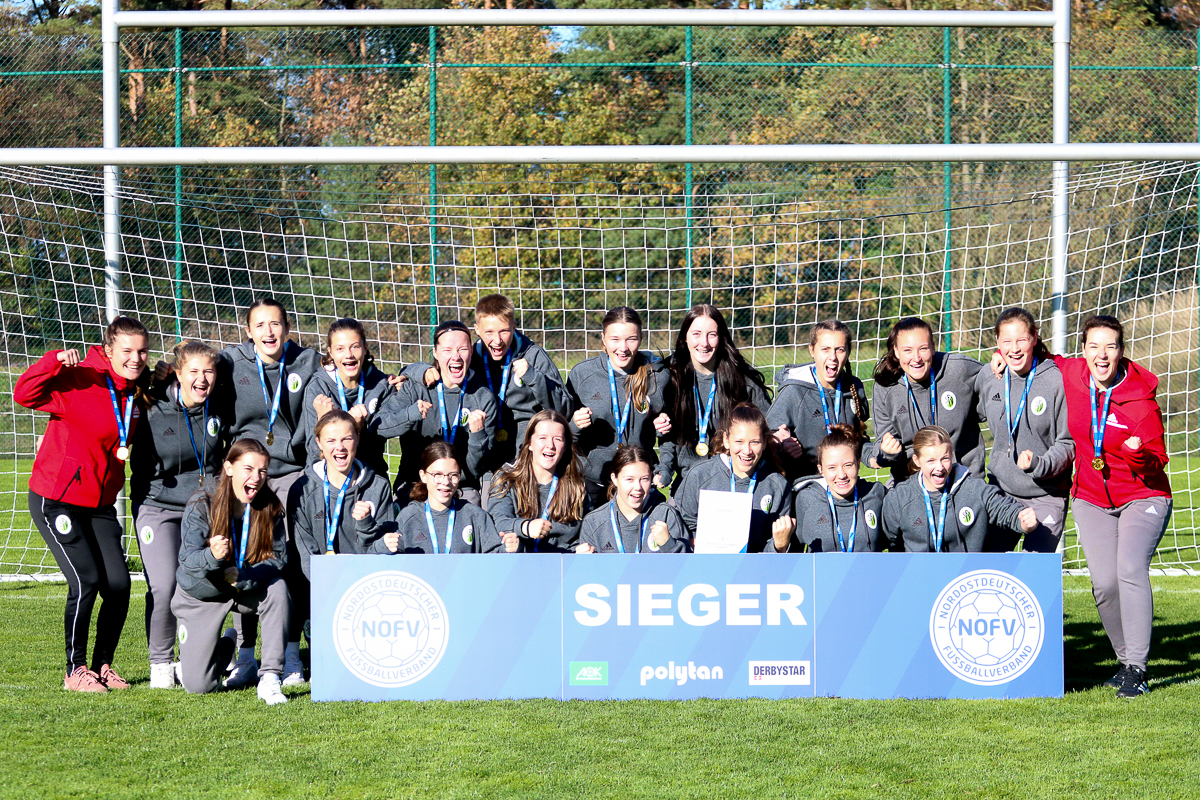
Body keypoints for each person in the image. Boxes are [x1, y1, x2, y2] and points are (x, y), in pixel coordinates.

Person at [15, 315, 150, 692]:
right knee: (85, 579)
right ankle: (75, 670)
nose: (135, 358)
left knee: (119, 584)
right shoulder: (80, 379)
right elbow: (24, 394)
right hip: (57, 500)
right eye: (127, 351)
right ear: (109, 350)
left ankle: (103, 665)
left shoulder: (138, 391)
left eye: (142, 351)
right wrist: (53, 361)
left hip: (100, 505)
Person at [1056, 315, 1171, 698]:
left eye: (1110, 346)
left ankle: (1138, 668)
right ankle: (1124, 663)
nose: (1101, 355)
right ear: (1083, 350)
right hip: (1091, 498)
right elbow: (1041, 356)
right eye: (1094, 346)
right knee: (1105, 584)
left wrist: (1136, 454)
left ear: (1121, 351)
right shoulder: (1072, 374)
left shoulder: (1141, 402)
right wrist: (1003, 355)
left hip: (1144, 495)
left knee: (1129, 570)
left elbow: (1157, 462)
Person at [216, 298, 319, 683]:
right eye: (260, 325)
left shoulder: (307, 361)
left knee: (289, 561)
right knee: (245, 556)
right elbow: (193, 367)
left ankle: (290, 653)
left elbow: (352, 365)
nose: (269, 332)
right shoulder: (230, 361)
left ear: (287, 328)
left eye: (275, 324)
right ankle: (245, 655)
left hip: (290, 473)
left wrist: (415, 373)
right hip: (248, 475)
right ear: (248, 331)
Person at [129, 340, 229, 689]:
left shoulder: (220, 405)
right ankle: (160, 662)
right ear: (178, 374)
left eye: (209, 371)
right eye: (194, 371)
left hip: (203, 509)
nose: (202, 379)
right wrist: (154, 376)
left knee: (208, 579)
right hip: (158, 508)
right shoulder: (151, 404)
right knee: (165, 584)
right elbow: (128, 381)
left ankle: (206, 654)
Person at [172, 438, 290, 704]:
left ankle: (270, 677)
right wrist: (212, 556)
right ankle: (225, 647)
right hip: (202, 593)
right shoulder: (202, 502)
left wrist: (246, 577)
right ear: (228, 468)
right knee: (200, 686)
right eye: (248, 469)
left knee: (278, 588)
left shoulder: (270, 504)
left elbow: (278, 558)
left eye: (262, 471)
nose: (256, 478)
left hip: (242, 588)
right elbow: (187, 560)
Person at [286, 409, 396, 685]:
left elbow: (382, 547)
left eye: (346, 439)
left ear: (357, 439)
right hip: (317, 583)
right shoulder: (301, 489)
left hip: (363, 583)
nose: (340, 447)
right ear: (318, 443)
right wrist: (328, 583)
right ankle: (292, 655)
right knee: (290, 571)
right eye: (331, 440)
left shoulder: (378, 486)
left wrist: (366, 524)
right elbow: (304, 550)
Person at [976, 308, 1074, 552]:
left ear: (1034, 338)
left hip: (1046, 494)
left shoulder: (1055, 380)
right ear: (997, 342)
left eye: (1021, 340)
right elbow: (967, 416)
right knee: (989, 566)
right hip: (1000, 492)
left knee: (1034, 569)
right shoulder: (990, 376)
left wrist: (1039, 464)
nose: (1014, 349)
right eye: (1007, 341)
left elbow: (1067, 443)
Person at [378, 320, 498, 506]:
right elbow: (380, 426)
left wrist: (477, 436)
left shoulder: (482, 398)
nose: (456, 356)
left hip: (461, 489)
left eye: (462, 349)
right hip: (415, 485)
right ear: (435, 352)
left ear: (471, 351)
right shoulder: (416, 388)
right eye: (447, 350)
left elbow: (476, 469)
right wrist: (411, 414)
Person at [658, 305, 771, 493]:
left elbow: (768, 427)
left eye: (711, 335)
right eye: (696, 334)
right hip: (687, 484)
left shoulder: (742, 380)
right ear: (685, 337)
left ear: (721, 338)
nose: (704, 343)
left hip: (734, 484)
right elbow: (658, 431)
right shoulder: (668, 377)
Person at [567, 307, 672, 504]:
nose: (623, 348)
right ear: (603, 339)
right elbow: (562, 436)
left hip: (638, 484)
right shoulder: (582, 375)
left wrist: (664, 466)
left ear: (641, 338)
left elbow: (670, 435)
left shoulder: (658, 377)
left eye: (631, 339)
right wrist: (574, 425)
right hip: (592, 482)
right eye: (615, 339)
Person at [472, 294, 570, 497]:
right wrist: (420, 372)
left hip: (525, 459)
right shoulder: (470, 357)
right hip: (484, 459)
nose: (497, 340)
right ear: (477, 329)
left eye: (504, 331)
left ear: (514, 326)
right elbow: (441, 366)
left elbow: (565, 408)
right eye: (489, 332)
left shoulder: (533, 356)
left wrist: (534, 378)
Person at [881, 425, 1036, 553]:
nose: (939, 467)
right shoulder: (899, 498)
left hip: (966, 577)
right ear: (917, 461)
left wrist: (1023, 520)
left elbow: (1004, 509)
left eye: (945, 459)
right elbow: (890, 543)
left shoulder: (974, 489)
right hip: (920, 577)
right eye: (931, 461)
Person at [768, 319, 887, 480]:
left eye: (840, 350)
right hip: (805, 485)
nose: (833, 357)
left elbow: (858, 439)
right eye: (825, 349)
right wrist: (781, 446)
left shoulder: (854, 387)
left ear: (848, 352)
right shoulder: (794, 391)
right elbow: (764, 439)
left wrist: (874, 457)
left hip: (844, 482)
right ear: (812, 350)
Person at [871, 317, 985, 486]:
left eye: (923, 348)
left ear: (932, 347)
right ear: (896, 351)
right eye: (907, 350)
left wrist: (1000, 357)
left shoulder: (959, 369)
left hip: (964, 481)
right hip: (911, 484)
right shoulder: (885, 387)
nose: (916, 358)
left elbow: (998, 377)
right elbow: (882, 446)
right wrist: (887, 452)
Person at [674, 404, 793, 553]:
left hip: (753, 567)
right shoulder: (700, 476)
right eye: (739, 441)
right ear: (726, 440)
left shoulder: (777, 486)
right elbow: (680, 527)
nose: (747, 451)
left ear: (764, 443)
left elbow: (771, 553)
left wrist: (780, 545)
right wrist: (695, 542)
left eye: (754, 442)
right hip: (705, 564)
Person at [303, 318, 396, 481]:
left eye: (355, 347)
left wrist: (360, 429)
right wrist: (322, 422)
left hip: (370, 478)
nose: (349, 355)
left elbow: (376, 448)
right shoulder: (318, 387)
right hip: (326, 480)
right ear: (330, 352)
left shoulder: (382, 385)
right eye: (340, 348)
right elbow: (313, 451)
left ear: (365, 348)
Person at [489, 410, 591, 553]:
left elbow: (584, 534)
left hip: (563, 563)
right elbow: (497, 521)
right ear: (529, 443)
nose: (550, 445)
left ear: (565, 446)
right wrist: (525, 527)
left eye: (557, 439)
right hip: (519, 562)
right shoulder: (507, 478)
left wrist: (579, 552)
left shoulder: (577, 486)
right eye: (542, 438)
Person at [376, 442, 502, 554]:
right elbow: (384, 561)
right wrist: (383, 547)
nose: (446, 482)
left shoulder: (475, 516)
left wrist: (508, 548)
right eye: (437, 474)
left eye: (453, 475)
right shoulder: (408, 517)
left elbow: (497, 557)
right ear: (423, 476)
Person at [779, 424, 888, 553]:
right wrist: (781, 545)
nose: (841, 475)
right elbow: (793, 553)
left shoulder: (876, 493)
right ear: (821, 470)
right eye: (832, 467)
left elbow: (897, 545)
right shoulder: (805, 499)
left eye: (848, 465)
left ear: (858, 464)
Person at [577, 445, 690, 554]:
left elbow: (687, 565)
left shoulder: (666, 515)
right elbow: (588, 567)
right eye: (629, 479)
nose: (638, 487)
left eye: (644, 479)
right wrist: (582, 562)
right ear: (614, 479)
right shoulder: (594, 522)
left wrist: (669, 545)